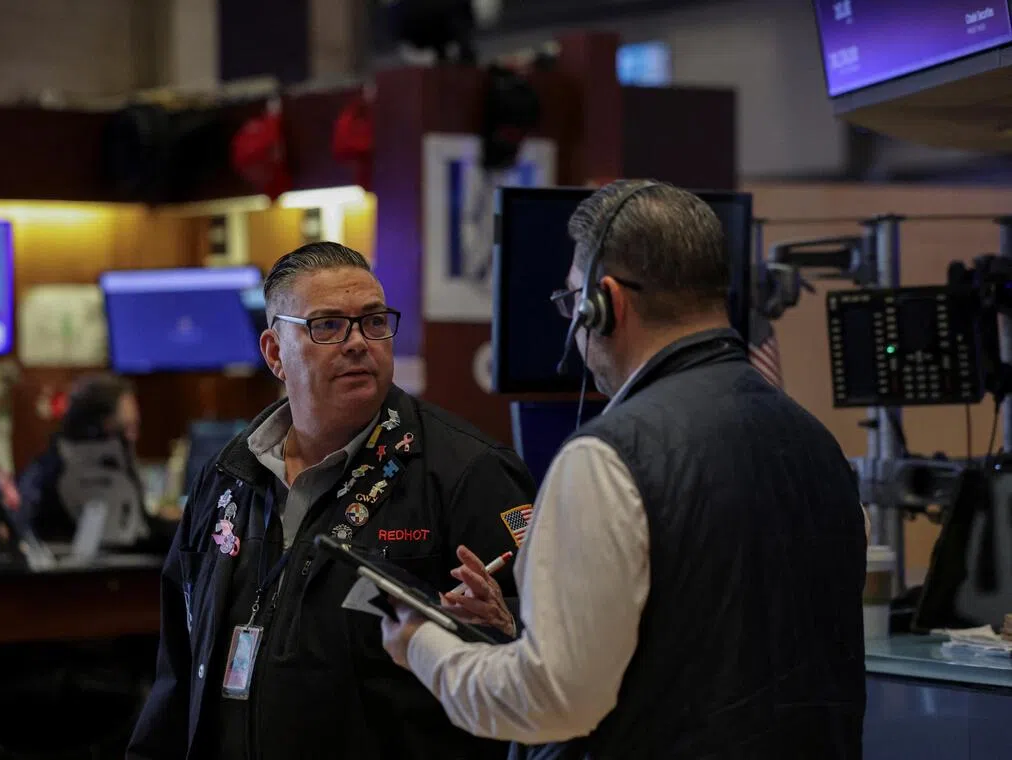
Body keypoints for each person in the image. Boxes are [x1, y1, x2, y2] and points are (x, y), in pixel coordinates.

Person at [381, 180, 870, 759]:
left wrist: (422, 645)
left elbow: (552, 701)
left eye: (571, 303)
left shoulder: (606, 459)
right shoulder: (818, 442)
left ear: (605, 303)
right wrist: (523, 628)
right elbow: (718, 646)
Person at [127, 242, 536, 760]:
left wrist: (506, 628)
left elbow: (544, 660)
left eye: (373, 321)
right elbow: (179, 669)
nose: (358, 343)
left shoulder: (467, 472)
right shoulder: (227, 477)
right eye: (327, 326)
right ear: (275, 352)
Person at [17, 373, 153, 545]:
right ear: (96, 428)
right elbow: (122, 541)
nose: (133, 437)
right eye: (126, 428)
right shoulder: (80, 473)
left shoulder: (48, 463)